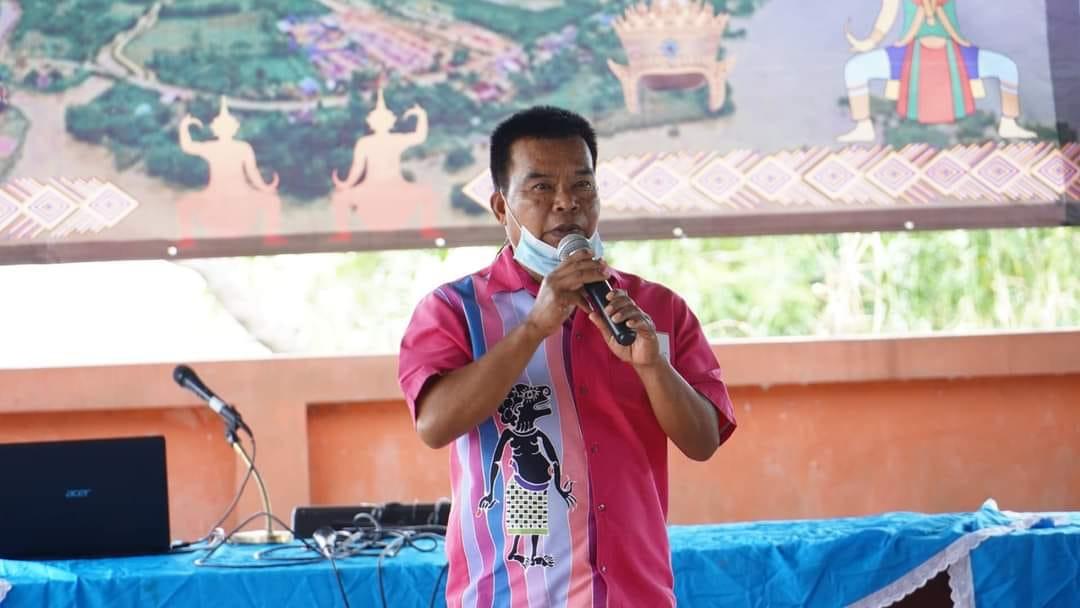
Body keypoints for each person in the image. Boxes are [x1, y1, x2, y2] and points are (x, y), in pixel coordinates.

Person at [397, 106, 736, 607]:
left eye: (582, 185)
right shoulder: (452, 311)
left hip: (633, 595)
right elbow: (434, 425)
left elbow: (703, 441)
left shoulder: (657, 309)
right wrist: (534, 327)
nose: (566, 203)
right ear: (501, 207)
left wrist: (652, 367)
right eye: (541, 187)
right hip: (507, 595)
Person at [838, 0, 1036, 142]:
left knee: (1006, 67)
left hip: (954, 51)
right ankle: (863, 126)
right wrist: (869, 42)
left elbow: (982, 16)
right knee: (855, 68)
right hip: (908, 53)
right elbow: (886, 17)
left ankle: (1009, 123)